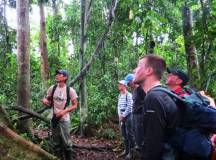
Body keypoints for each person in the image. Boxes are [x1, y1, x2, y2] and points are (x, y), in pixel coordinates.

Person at [133, 54, 179, 160]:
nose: (135, 70)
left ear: (149, 71)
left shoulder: (153, 98)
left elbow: (153, 145)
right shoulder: (164, 94)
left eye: (139, 66)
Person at [42, 69, 78, 160]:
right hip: (54, 118)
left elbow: (75, 105)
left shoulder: (70, 90)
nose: (57, 75)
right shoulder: (52, 88)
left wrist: (64, 111)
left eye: (59, 74)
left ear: (65, 77)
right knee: (55, 142)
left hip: (64, 119)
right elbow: (47, 99)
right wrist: (45, 100)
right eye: (57, 74)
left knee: (66, 142)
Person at [124, 73, 146, 150]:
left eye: (128, 83)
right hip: (135, 115)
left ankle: (143, 150)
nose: (128, 85)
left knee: (140, 134)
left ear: (132, 81)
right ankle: (139, 148)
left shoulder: (141, 89)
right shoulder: (134, 90)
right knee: (135, 133)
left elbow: (146, 102)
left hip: (141, 115)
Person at [117, 80, 134, 159]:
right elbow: (118, 106)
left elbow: (130, 107)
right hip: (122, 116)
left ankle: (131, 152)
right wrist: (120, 115)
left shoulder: (129, 95)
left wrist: (123, 115)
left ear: (124, 86)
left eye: (120, 84)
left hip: (128, 116)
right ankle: (126, 150)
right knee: (124, 134)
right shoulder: (120, 95)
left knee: (129, 134)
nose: (118, 85)